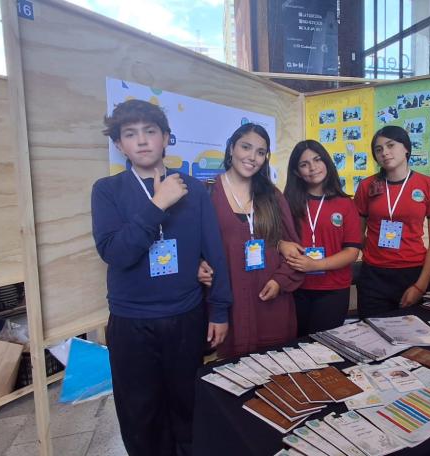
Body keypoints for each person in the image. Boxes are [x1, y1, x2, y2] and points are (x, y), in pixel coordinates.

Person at [91, 99, 231, 456]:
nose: (141, 141)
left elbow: (214, 252)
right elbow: (116, 254)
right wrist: (158, 205)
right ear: (119, 144)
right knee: (140, 412)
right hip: (132, 321)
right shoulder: (107, 190)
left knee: (187, 404)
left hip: (186, 316)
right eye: (130, 134)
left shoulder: (194, 189)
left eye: (150, 131)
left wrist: (218, 310)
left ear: (166, 138)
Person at [202, 123, 304, 358]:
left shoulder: (272, 196)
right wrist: (197, 265)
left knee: (275, 378)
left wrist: (280, 281)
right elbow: (194, 247)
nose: (252, 157)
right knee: (232, 379)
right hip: (229, 305)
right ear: (231, 149)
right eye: (246, 147)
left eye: (260, 152)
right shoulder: (207, 193)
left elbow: (294, 250)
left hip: (270, 304)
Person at [354, 126, 430, 319]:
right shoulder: (366, 187)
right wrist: (375, 252)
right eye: (378, 149)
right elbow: (356, 233)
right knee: (373, 338)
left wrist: (420, 286)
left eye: (390, 145)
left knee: (416, 341)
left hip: (413, 274)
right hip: (374, 276)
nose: (385, 152)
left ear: (406, 148)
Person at [280, 140, 362, 336]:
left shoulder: (345, 204)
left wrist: (316, 265)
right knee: (297, 346)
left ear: (326, 162)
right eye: (304, 164)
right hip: (296, 285)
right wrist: (281, 244)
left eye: (317, 160)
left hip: (333, 289)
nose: (312, 167)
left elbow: (352, 252)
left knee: (325, 348)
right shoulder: (287, 203)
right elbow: (275, 238)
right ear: (297, 172)